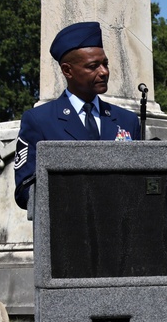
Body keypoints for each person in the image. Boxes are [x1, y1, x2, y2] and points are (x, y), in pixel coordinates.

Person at [13, 21, 142, 212]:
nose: (104, 72)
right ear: (67, 70)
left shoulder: (127, 120)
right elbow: (24, 190)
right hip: (66, 231)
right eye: (93, 66)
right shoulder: (40, 120)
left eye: (105, 64)